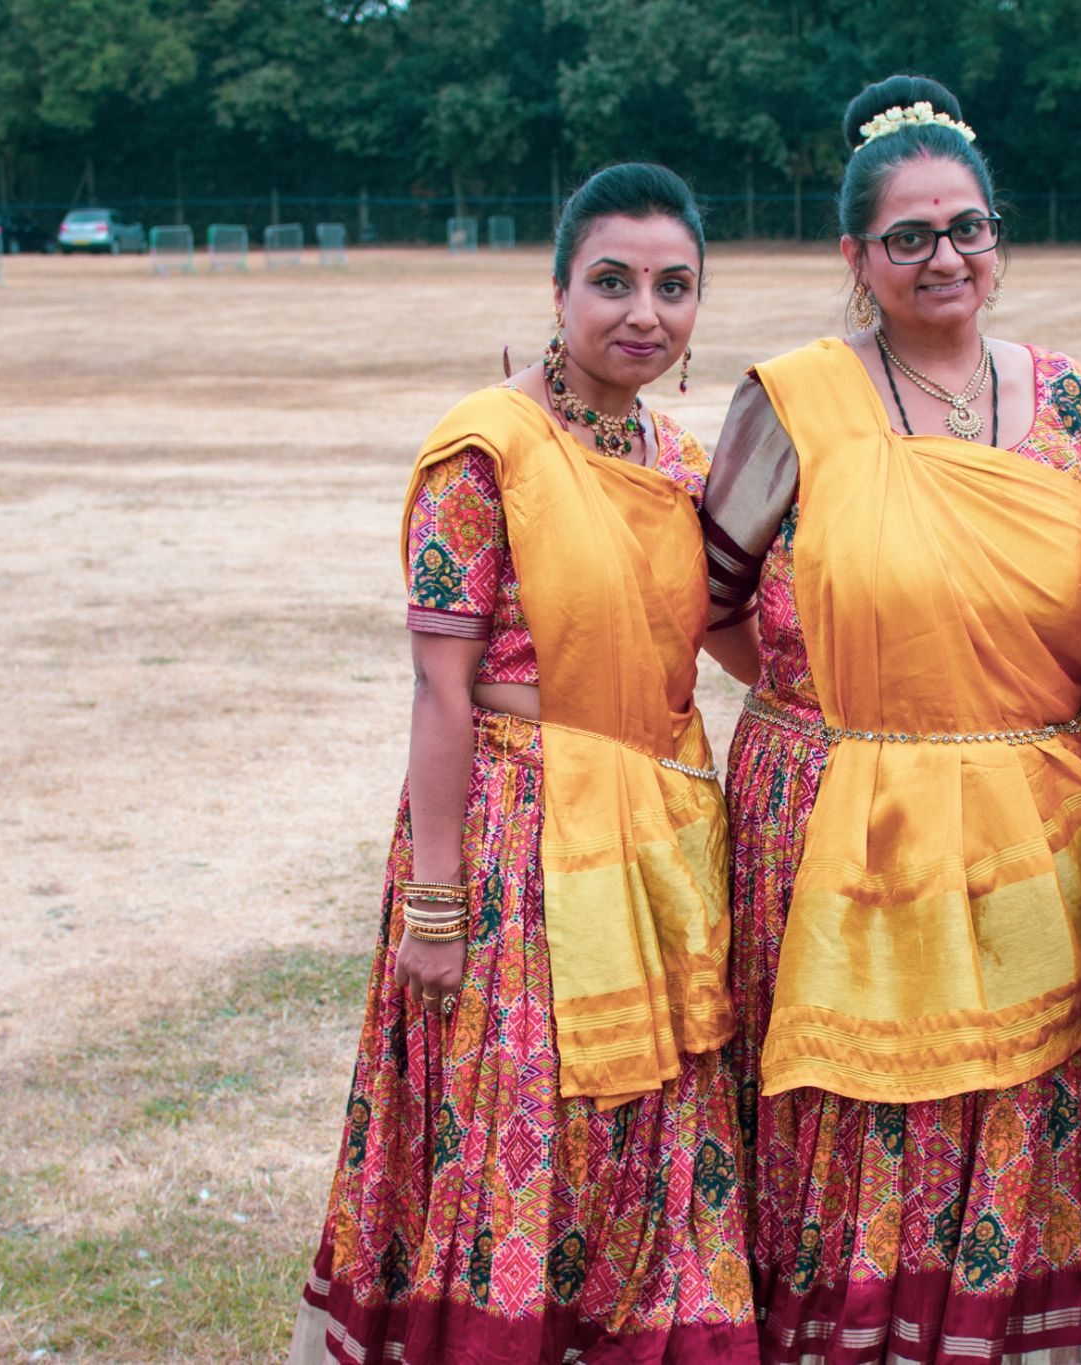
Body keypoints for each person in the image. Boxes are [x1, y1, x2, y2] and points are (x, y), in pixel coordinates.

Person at [290, 163, 756, 1365]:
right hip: (516, 835)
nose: (641, 312)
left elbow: (731, 639)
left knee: (650, 1113)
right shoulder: (485, 449)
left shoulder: (683, 462)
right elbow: (440, 686)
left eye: (672, 286)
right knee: (528, 1112)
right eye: (610, 282)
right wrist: (436, 905)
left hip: (652, 828)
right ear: (558, 291)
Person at [700, 74, 1081, 1365]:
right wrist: (833, 706)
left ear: (999, 236)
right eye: (911, 236)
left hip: (1032, 821)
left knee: (1022, 1098)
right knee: (855, 1103)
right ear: (856, 256)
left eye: (970, 228)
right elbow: (709, 601)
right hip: (840, 820)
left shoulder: (1071, 402)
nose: (946, 255)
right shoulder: (796, 398)